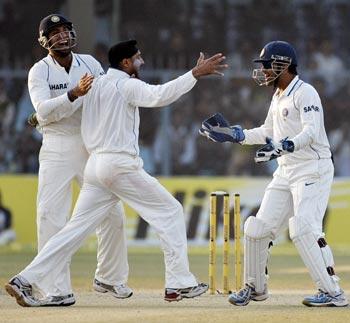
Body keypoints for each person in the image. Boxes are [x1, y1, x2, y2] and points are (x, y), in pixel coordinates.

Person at [5, 40, 228, 306]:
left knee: (72, 231)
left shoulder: (94, 84)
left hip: (95, 167)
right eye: (138, 57)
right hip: (119, 165)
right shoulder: (127, 84)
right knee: (170, 211)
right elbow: (160, 95)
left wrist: (36, 117)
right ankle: (179, 283)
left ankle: (26, 279)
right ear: (126, 63)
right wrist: (194, 73)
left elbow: (66, 107)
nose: (142, 62)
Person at [200, 41, 348, 307]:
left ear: (283, 64)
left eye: (267, 66)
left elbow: (311, 132)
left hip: (312, 167)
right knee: (257, 228)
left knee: (303, 228)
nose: (264, 71)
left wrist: (284, 145)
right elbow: (267, 131)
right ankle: (255, 288)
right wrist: (237, 135)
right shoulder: (278, 96)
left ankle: (332, 293)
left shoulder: (306, 92)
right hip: (286, 169)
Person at [23, 14, 131, 306]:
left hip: (90, 144)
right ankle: (57, 289)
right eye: (55, 33)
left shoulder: (90, 64)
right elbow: (43, 111)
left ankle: (110, 277)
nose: (62, 36)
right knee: (51, 217)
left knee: (111, 213)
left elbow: (105, 98)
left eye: (65, 30)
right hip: (57, 147)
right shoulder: (39, 71)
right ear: (45, 41)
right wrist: (72, 95)